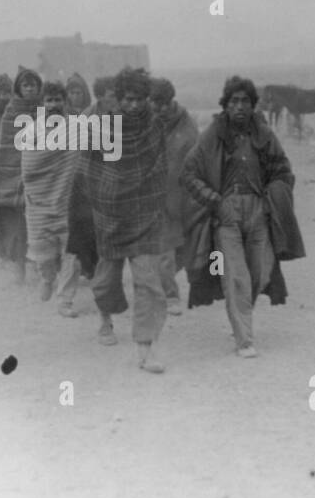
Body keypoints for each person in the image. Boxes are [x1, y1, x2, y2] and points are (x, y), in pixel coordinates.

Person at [181, 75, 305, 359]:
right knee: (236, 275)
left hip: (259, 212)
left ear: (252, 105)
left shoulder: (264, 134)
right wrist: (215, 201)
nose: (239, 107)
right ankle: (244, 338)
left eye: (245, 101)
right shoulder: (213, 134)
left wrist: (271, 198)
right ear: (225, 105)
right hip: (226, 216)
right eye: (234, 101)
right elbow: (188, 173)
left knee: (260, 272)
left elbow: (284, 171)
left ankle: (240, 318)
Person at [79, 66, 169, 373]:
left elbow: (160, 168)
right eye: (129, 99)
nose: (134, 105)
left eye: (140, 99)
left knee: (149, 283)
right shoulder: (102, 127)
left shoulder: (154, 126)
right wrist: (104, 199)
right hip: (109, 216)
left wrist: (155, 202)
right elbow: (87, 170)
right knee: (104, 283)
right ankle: (106, 318)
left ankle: (146, 347)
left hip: (144, 216)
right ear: (119, 97)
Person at [21, 81, 82, 317]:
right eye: (49, 100)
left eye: (58, 100)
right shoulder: (30, 131)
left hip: (68, 203)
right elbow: (29, 167)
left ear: (65, 102)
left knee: (73, 256)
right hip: (39, 205)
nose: (54, 104)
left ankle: (65, 300)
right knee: (43, 258)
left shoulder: (76, 128)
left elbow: (83, 158)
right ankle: (47, 278)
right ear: (42, 104)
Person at [150, 77, 200, 315]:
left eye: (163, 103)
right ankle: (170, 295)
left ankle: (164, 281)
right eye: (154, 103)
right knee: (165, 253)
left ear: (172, 101)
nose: (158, 109)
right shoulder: (145, 122)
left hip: (182, 198)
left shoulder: (187, 127)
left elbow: (197, 162)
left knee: (184, 250)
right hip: (156, 200)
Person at [0, 67, 40, 282]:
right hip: (12, 173)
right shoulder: (12, 110)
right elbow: (5, 145)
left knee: (36, 223)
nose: (29, 89)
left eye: (33, 85)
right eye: (25, 85)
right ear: (19, 88)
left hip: (37, 172)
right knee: (17, 225)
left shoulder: (45, 109)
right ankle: (19, 269)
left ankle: (41, 266)